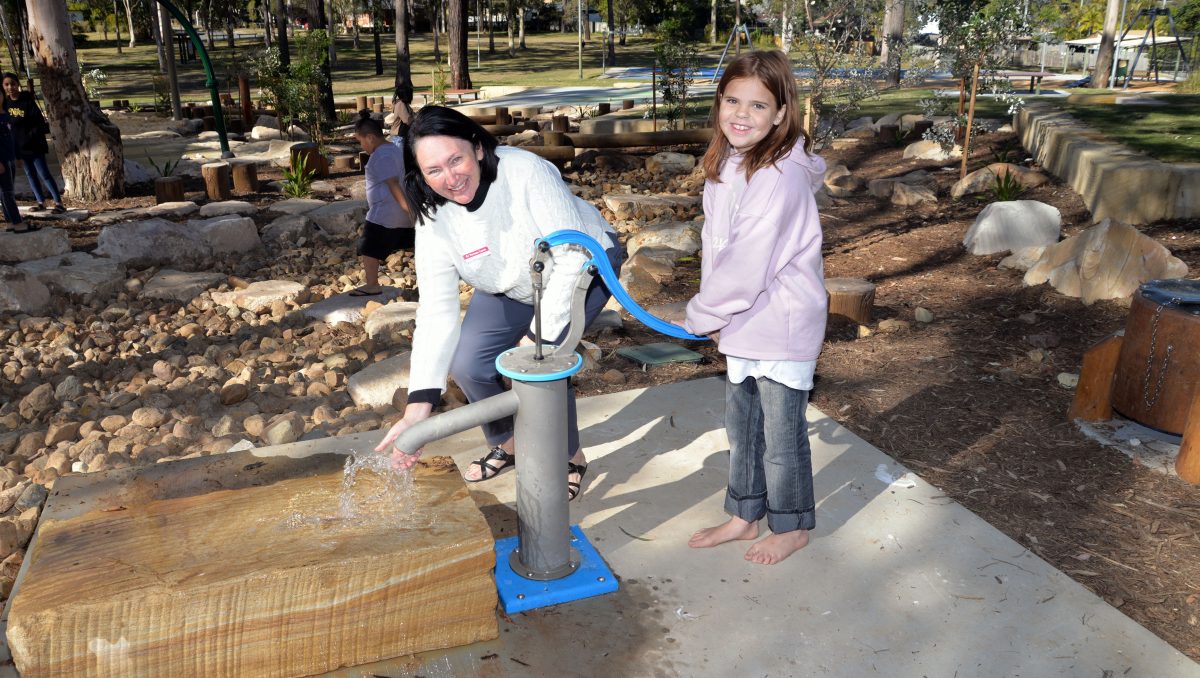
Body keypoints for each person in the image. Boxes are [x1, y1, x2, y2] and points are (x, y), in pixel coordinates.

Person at [375, 106, 621, 501]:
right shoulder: (433, 216)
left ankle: (570, 455)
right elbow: (437, 311)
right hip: (509, 282)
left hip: (583, 268)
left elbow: (573, 256)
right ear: (419, 175)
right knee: (469, 363)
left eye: (455, 159)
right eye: (434, 170)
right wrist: (418, 406)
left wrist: (536, 338)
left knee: (541, 367)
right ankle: (509, 441)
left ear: (476, 147)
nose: (451, 178)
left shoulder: (524, 171)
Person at [682, 50, 828, 565]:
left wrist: (701, 315)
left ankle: (790, 526)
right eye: (732, 100)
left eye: (759, 106)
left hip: (781, 324)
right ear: (718, 102)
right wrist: (718, 318)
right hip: (744, 320)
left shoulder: (779, 177)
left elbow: (748, 261)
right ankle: (745, 515)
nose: (741, 114)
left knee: (781, 437)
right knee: (742, 426)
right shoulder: (729, 163)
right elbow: (717, 248)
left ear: (782, 114)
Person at [350, 110, 414, 297]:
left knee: (368, 248)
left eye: (360, 141)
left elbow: (393, 183)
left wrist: (407, 208)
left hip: (384, 213)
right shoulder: (393, 149)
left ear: (370, 138)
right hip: (397, 212)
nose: (361, 145)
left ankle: (372, 284)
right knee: (409, 243)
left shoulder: (381, 156)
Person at [1, 74, 66, 214]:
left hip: (34, 145)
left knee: (44, 173)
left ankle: (58, 202)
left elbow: (37, 123)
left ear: (18, 84)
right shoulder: (6, 104)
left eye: (12, 84)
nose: (10, 87)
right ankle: (40, 201)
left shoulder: (27, 101)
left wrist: (31, 139)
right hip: (19, 147)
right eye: (6, 84)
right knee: (30, 174)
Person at [0, 106, 31, 233]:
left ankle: (10, 222)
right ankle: (17, 222)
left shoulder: (6, 115)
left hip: (10, 157)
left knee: (6, 191)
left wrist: (18, 156)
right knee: (7, 191)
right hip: (1, 159)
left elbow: (13, 137)